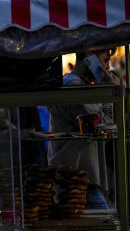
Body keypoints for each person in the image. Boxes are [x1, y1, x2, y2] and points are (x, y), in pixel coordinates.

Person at [48, 51, 118, 208]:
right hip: (77, 178)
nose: (108, 67)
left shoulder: (81, 86)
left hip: (81, 176)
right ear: (89, 58)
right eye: (105, 60)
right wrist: (110, 92)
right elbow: (100, 123)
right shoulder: (73, 86)